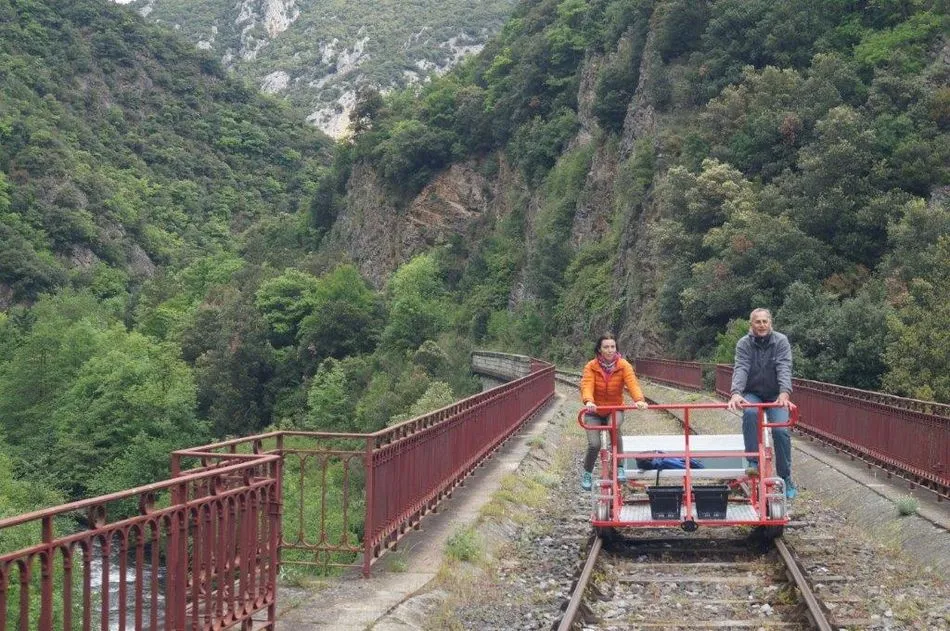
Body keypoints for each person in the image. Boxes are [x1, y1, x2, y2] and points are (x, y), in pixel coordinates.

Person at [726, 308, 797, 499]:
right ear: (752, 324)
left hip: (775, 394)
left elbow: (784, 366)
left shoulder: (780, 341)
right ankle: (752, 462)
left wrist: (784, 393)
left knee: (781, 430)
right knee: (749, 413)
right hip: (753, 392)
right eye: (758, 322)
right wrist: (735, 393)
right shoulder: (744, 344)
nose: (762, 325)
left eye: (765, 321)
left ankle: (786, 477)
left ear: (770, 323)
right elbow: (741, 367)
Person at [579, 334, 648, 490]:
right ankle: (587, 473)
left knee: (614, 428)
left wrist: (638, 400)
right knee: (594, 444)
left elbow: (632, 383)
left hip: (614, 409)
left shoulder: (624, 365)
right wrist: (588, 401)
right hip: (594, 410)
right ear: (599, 349)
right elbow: (587, 385)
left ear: (616, 348)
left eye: (612, 347)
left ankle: (620, 467)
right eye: (606, 347)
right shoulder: (591, 366)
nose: (610, 350)